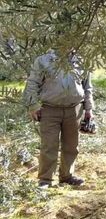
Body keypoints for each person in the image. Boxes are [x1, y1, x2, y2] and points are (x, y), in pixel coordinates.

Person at [23, 48, 94, 188]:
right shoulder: (43, 60)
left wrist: (89, 109)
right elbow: (32, 83)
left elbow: (88, 87)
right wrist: (33, 106)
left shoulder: (82, 60)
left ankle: (67, 176)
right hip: (49, 109)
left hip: (75, 109)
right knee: (49, 145)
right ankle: (45, 180)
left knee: (72, 146)